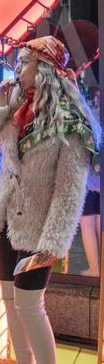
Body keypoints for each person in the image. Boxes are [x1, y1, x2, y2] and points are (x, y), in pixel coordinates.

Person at [0, 36, 99, 364]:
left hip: (39, 230)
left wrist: (52, 244)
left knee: (30, 305)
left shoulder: (71, 123)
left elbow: (69, 193)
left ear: (44, 70)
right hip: (4, 220)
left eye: (24, 62)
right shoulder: (14, 108)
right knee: (11, 303)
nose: (18, 68)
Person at [80, 89, 100, 276]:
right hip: (99, 179)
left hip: (85, 181)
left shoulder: (79, 122)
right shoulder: (97, 122)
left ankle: (95, 268)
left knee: (87, 224)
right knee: (98, 223)